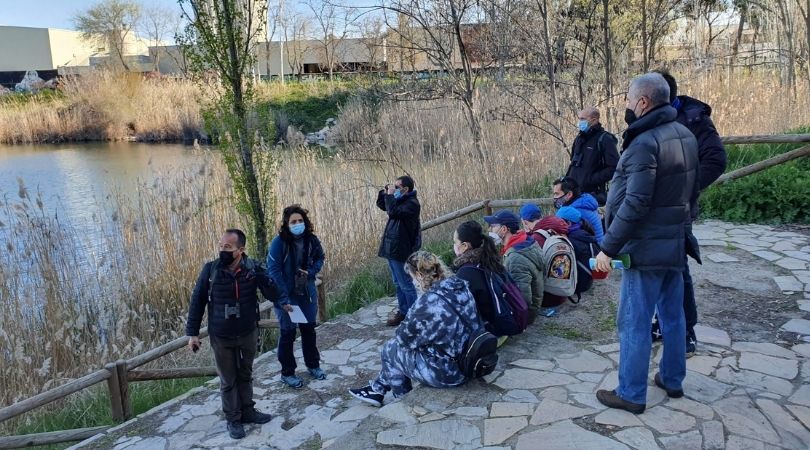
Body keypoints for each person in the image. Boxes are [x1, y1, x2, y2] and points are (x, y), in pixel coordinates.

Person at [594, 73, 699, 414]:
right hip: (674, 244)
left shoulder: (644, 143)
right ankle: (672, 379)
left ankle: (631, 393)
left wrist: (607, 248)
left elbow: (634, 203)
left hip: (646, 250)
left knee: (634, 323)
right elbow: (691, 194)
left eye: (628, 99)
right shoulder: (685, 134)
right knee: (673, 316)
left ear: (643, 102)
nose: (625, 105)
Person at [650, 69, 728, 356]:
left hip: (677, 211)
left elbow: (716, 159)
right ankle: (662, 322)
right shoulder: (649, 120)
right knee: (655, 270)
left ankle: (685, 333)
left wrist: (683, 188)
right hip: (651, 212)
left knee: (677, 271)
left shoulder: (695, 119)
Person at [348, 251, 482, 407]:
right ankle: (377, 389)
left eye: (411, 278)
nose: (412, 282)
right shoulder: (460, 286)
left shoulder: (427, 303)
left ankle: (402, 402)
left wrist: (419, 302)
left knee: (390, 350)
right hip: (471, 360)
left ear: (418, 275)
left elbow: (403, 339)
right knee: (401, 349)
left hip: (451, 372)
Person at [186, 229, 277, 439]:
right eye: (221, 246)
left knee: (245, 374)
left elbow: (272, 293)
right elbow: (197, 301)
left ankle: (248, 412)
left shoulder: (252, 268)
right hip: (221, 335)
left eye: (228, 247)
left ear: (241, 250)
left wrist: (264, 278)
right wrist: (192, 334)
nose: (222, 250)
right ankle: (233, 420)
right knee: (228, 380)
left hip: (247, 331)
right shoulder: (211, 270)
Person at [267, 205, 326, 389]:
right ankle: (287, 372)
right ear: (286, 224)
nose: (298, 224)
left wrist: (311, 272)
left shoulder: (311, 240)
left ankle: (313, 365)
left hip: (306, 293)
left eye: (300, 221)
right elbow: (273, 271)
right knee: (288, 333)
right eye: (293, 222)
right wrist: (283, 300)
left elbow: (320, 257)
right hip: (286, 295)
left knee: (309, 329)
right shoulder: (279, 243)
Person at [452, 220, 516, 337]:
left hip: (489, 333)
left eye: (455, 242)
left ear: (465, 246)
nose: (454, 246)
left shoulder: (465, 273)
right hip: (503, 321)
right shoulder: (489, 258)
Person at [377, 175, 422, 327]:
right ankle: (403, 312)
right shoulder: (400, 200)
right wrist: (384, 193)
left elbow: (393, 212)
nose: (394, 190)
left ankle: (415, 316)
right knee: (398, 283)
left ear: (406, 189)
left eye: (397, 187)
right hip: (392, 248)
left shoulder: (412, 204)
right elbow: (384, 206)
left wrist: (390, 196)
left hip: (401, 249)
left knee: (406, 284)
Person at [485, 209, 544, 321]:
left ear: (504, 229)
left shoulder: (515, 258)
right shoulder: (526, 241)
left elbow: (522, 299)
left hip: (525, 315)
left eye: (492, 226)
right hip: (534, 306)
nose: (489, 229)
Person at [565, 106, 620, 206]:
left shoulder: (605, 139)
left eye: (582, 119)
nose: (579, 122)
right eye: (579, 118)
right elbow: (573, 163)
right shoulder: (579, 138)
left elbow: (614, 168)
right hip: (573, 195)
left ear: (594, 120)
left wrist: (590, 179)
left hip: (592, 197)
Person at [521, 203, 570, 308]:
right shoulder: (555, 229)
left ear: (524, 222)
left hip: (547, 299)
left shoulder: (534, 239)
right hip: (563, 292)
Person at [556, 206, 600, 301]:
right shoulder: (583, 234)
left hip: (577, 286)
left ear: (568, 223)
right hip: (587, 281)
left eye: (558, 222)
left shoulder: (571, 240)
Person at [552, 176, 604, 244]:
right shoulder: (584, 202)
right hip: (597, 247)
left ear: (569, 194)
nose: (554, 197)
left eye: (557, 194)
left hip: (593, 250)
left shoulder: (574, 211)